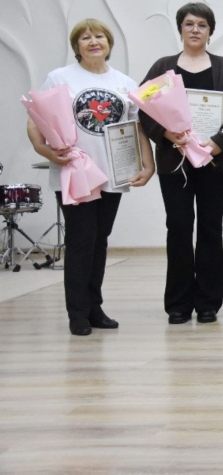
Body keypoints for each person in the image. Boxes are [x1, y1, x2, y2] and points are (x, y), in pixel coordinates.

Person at [26, 19, 155, 336]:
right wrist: (43, 150)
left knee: (99, 242)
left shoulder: (125, 82)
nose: (93, 41)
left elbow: (139, 127)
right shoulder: (60, 77)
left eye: (99, 36)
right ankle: (77, 313)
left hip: (114, 173)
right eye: (86, 37)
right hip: (75, 173)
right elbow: (36, 117)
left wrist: (148, 165)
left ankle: (94, 306)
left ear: (109, 43)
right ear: (77, 46)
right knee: (81, 241)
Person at [140, 2, 223, 325]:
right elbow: (145, 108)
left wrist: (217, 144)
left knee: (211, 229)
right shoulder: (163, 67)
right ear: (180, 29)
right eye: (189, 24)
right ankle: (178, 304)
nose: (195, 30)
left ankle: (209, 302)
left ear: (210, 31)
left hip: (214, 163)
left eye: (202, 24)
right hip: (175, 163)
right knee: (179, 227)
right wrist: (167, 134)